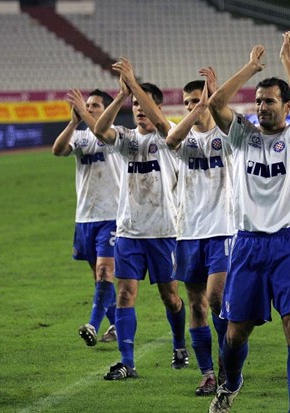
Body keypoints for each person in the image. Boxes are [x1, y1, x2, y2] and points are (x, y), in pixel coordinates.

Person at [207, 32, 290, 413]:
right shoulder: (242, 136)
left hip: (289, 242)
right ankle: (232, 381)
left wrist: (288, 61)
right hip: (248, 244)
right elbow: (216, 103)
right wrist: (251, 68)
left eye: (269, 101)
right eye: (258, 101)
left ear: (285, 104)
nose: (262, 107)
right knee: (236, 334)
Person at [93, 58, 189, 380]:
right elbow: (99, 129)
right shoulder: (127, 139)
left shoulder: (170, 136)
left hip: (163, 231)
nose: (137, 109)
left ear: (156, 107)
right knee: (124, 294)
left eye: (141, 104)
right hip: (129, 231)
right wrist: (121, 96)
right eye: (134, 105)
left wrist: (135, 85)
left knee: (171, 297)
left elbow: (162, 124)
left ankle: (179, 344)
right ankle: (127, 362)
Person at [165, 68, 233, 396]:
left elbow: (224, 117)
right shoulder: (183, 139)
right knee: (195, 303)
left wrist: (215, 98)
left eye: (199, 100)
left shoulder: (228, 136)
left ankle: (227, 364)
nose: (195, 106)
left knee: (217, 299)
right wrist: (195, 112)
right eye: (189, 102)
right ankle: (207, 372)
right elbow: (171, 139)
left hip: (223, 229)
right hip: (187, 231)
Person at [52, 88, 120, 346]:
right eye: (87, 105)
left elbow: (101, 131)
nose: (89, 109)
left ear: (107, 112)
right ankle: (116, 325)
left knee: (104, 272)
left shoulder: (115, 137)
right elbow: (57, 151)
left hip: (110, 216)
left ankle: (92, 324)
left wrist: (83, 114)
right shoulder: (81, 137)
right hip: (85, 218)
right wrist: (72, 121)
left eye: (95, 106)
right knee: (98, 276)